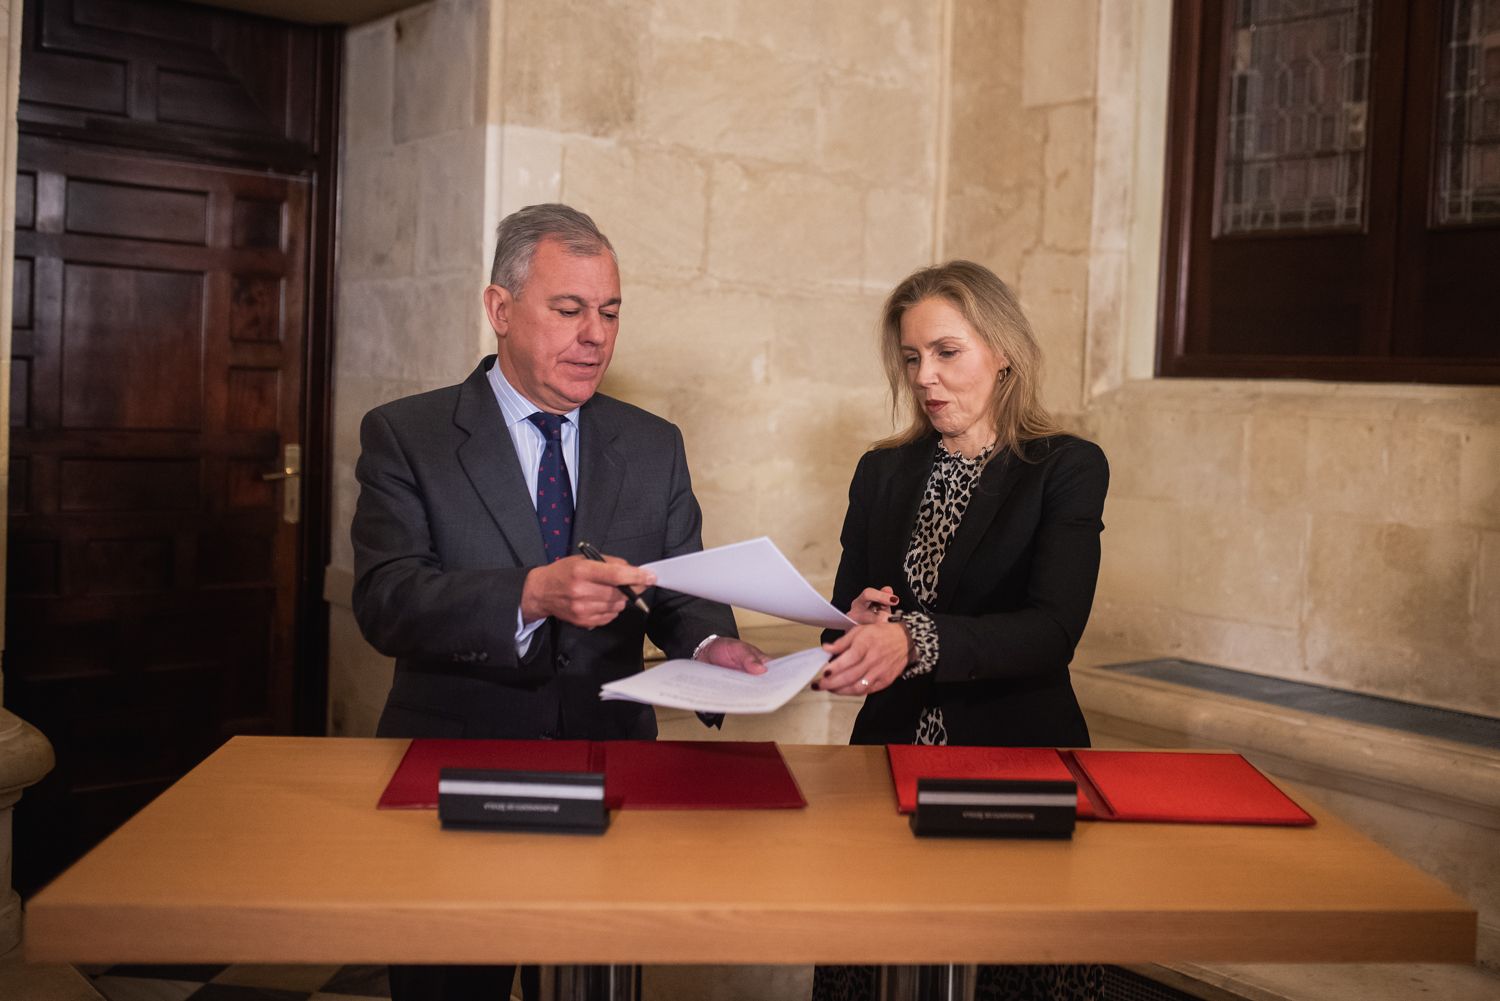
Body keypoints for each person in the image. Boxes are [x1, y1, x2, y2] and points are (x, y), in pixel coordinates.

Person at [351, 203, 767, 1001]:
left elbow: (680, 588)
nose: (595, 335)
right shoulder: (409, 435)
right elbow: (385, 600)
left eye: (610, 312)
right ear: (500, 310)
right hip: (458, 777)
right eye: (569, 308)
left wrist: (714, 649)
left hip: (613, 771)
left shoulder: (652, 442)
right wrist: (528, 594)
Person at [813, 260, 1109, 1001]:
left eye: (947, 353)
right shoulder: (881, 472)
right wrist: (852, 627)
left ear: (1002, 349)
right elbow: (848, 613)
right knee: (872, 969)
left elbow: (1050, 630)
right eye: (913, 358)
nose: (926, 377)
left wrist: (914, 640)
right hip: (889, 762)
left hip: (1016, 760)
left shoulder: (1064, 468)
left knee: (1021, 972)